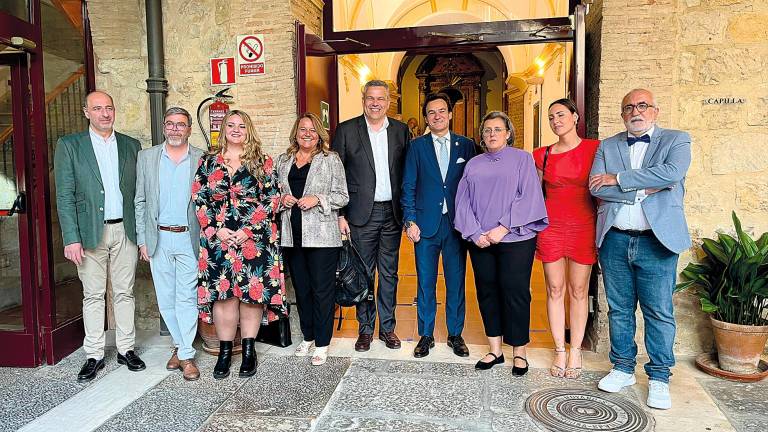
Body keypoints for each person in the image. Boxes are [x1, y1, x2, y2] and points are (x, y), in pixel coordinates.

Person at [589, 89, 691, 410]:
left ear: (655, 110)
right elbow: (595, 186)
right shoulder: (608, 145)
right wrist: (644, 188)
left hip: (657, 240)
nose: (636, 111)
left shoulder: (676, 140)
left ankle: (659, 376)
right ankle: (622, 367)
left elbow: (672, 174)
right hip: (616, 238)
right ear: (622, 114)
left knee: (658, 311)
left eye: (642, 105)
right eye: (629, 107)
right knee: (619, 308)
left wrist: (618, 178)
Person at [54, 90, 145, 382]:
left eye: (109, 108)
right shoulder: (70, 146)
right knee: (93, 295)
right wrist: (71, 237)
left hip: (125, 230)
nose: (104, 113)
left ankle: (126, 349)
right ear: (86, 112)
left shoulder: (132, 145)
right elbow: (64, 196)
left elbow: (139, 194)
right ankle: (93, 355)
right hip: (89, 231)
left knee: (124, 292)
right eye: (97, 108)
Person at [193, 109, 288, 379]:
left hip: (254, 240)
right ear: (223, 129)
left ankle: (248, 351)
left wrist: (248, 230)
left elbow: (273, 199)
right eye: (231, 125)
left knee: (251, 295)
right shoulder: (209, 162)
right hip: (218, 242)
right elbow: (199, 197)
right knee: (224, 297)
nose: (236, 130)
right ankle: (224, 353)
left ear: (249, 131)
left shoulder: (262, 162)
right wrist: (215, 229)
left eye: (242, 126)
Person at [454, 111, 548, 375]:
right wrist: (475, 233)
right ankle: (495, 349)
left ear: (508, 133)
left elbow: (528, 196)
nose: (492, 134)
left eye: (497, 129)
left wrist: (502, 227)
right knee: (486, 291)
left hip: (516, 237)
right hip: (481, 240)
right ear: (482, 136)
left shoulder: (522, 159)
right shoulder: (473, 164)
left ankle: (519, 351)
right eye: (487, 130)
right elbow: (463, 201)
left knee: (515, 290)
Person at [331, 80, 411, 352]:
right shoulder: (346, 130)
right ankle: (365, 330)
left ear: (389, 102)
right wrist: (340, 215)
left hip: (392, 213)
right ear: (363, 99)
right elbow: (336, 176)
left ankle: (387, 328)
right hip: (359, 214)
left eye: (381, 99)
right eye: (370, 98)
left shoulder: (401, 131)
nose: (375, 103)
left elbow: (407, 174)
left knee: (389, 274)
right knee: (363, 274)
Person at [401, 93, 476, 358]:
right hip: (425, 226)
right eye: (432, 112)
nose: (437, 116)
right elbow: (408, 184)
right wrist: (409, 220)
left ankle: (455, 334)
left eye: (442, 111)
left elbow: (474, 185)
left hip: (456, 225)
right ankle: (426, 334)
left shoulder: (466, 146)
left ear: (450, 114)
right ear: (426, 117)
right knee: (425, 282)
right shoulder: (417, 146)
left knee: (456, 282)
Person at [532, 98, 600, 379]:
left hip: (584, 224)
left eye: (560, 114)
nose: (555, 121)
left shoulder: (595, 149)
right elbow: (534, 195)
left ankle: (575, 349)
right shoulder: (541, 154)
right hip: (552, 227)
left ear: (575, 117)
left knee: (579, 290)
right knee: (554, 289)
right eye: (550, 117)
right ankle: (559, 349)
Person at [134, 107, 203, 381]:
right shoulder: (147, 157)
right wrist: (142, 240)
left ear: (189, 129)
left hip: (189, 237)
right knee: (166, 299)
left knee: (186, 296)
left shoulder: (201, 158)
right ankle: (179, 345)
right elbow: (140, 200)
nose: (175, 129)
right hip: (158, 238)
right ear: (164, 127)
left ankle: (185, 355)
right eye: (170, 124)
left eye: (181, 125)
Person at [276, 112, 349, 366]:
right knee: (302, 290)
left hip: (322, 238)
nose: (307, 134)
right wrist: (281, 199)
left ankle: (322, 343)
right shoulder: (283, 160)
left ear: (320, 135)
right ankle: (307, 337)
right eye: (302, 129)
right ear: (296, 132)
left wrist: (318, 199)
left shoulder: (331, 160)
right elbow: (273, 192)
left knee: (322, 291)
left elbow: (342, 196)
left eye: (312, 130)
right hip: (292, 236)